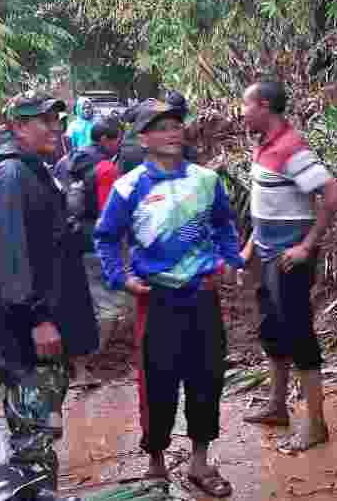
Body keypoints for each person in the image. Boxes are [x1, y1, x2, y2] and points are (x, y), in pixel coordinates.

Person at [93, 98, 244, 498]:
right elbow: (107, 238)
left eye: (176, 124)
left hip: (202, 297)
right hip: (157, 298)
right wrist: (121, 277)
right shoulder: (129, 187)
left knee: (207, 377)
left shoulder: (206, 180)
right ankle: (155, 462)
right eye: (161, 127)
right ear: (143, 138)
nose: (172, 132)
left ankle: (199, 462)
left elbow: (224, 225)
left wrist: (229, 262)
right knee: (157, 381)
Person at [0, 90, 94, 493]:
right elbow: (10, 254)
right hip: (26, 336)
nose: (55, 127)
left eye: (57, 119)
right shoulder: (12, 176)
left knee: (38, 431)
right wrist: (36, 319)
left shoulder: (32, 169)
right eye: (43, 121)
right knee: (33, 442)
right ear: (18, 126)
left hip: (36, 326)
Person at [238, 80, 337, 452]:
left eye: (246, 104)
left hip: (289, 260)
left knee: (299, 335)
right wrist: (251, 245)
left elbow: (332, 194)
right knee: (272, 330)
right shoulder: (262, 146)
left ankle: (316, 425)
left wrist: (306, 246)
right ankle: (277, 406)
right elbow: (264, 202)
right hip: (267, 256)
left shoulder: (290, 148)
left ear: (264, 106)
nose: (242, 110)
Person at [55, 117, 127, 392]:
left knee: (79, 302)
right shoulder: (106, 168)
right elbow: (112, 213)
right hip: (96, 242)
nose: (120, 143)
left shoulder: (66, 161)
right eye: (118, 138)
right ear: (106, 139)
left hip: (67, 240)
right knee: (108, 306)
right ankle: (85, 363)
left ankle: (73, 362)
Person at [117, 89, 199, 174]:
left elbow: (125, 117)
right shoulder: (153, 106)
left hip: (128, 150)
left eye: (175, 127)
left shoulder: (150, 104)